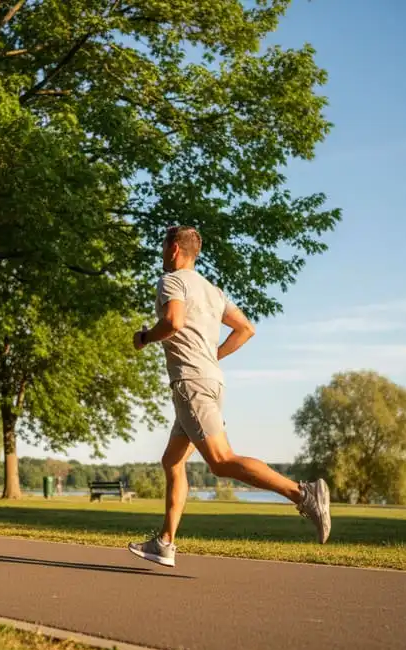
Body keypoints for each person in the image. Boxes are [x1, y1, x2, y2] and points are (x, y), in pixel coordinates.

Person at [127, 226, 331, 568]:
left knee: (221, 461)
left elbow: (173, 322)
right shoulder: (211, 290)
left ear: (175, 249)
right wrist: (212, 356)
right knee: (172, 461)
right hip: (207, 381)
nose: (162, 252)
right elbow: (246, 328)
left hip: (192, 383)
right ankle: (165, 542)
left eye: (164, 246)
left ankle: (303, 494)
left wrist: (146, 337)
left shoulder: (172, 281)